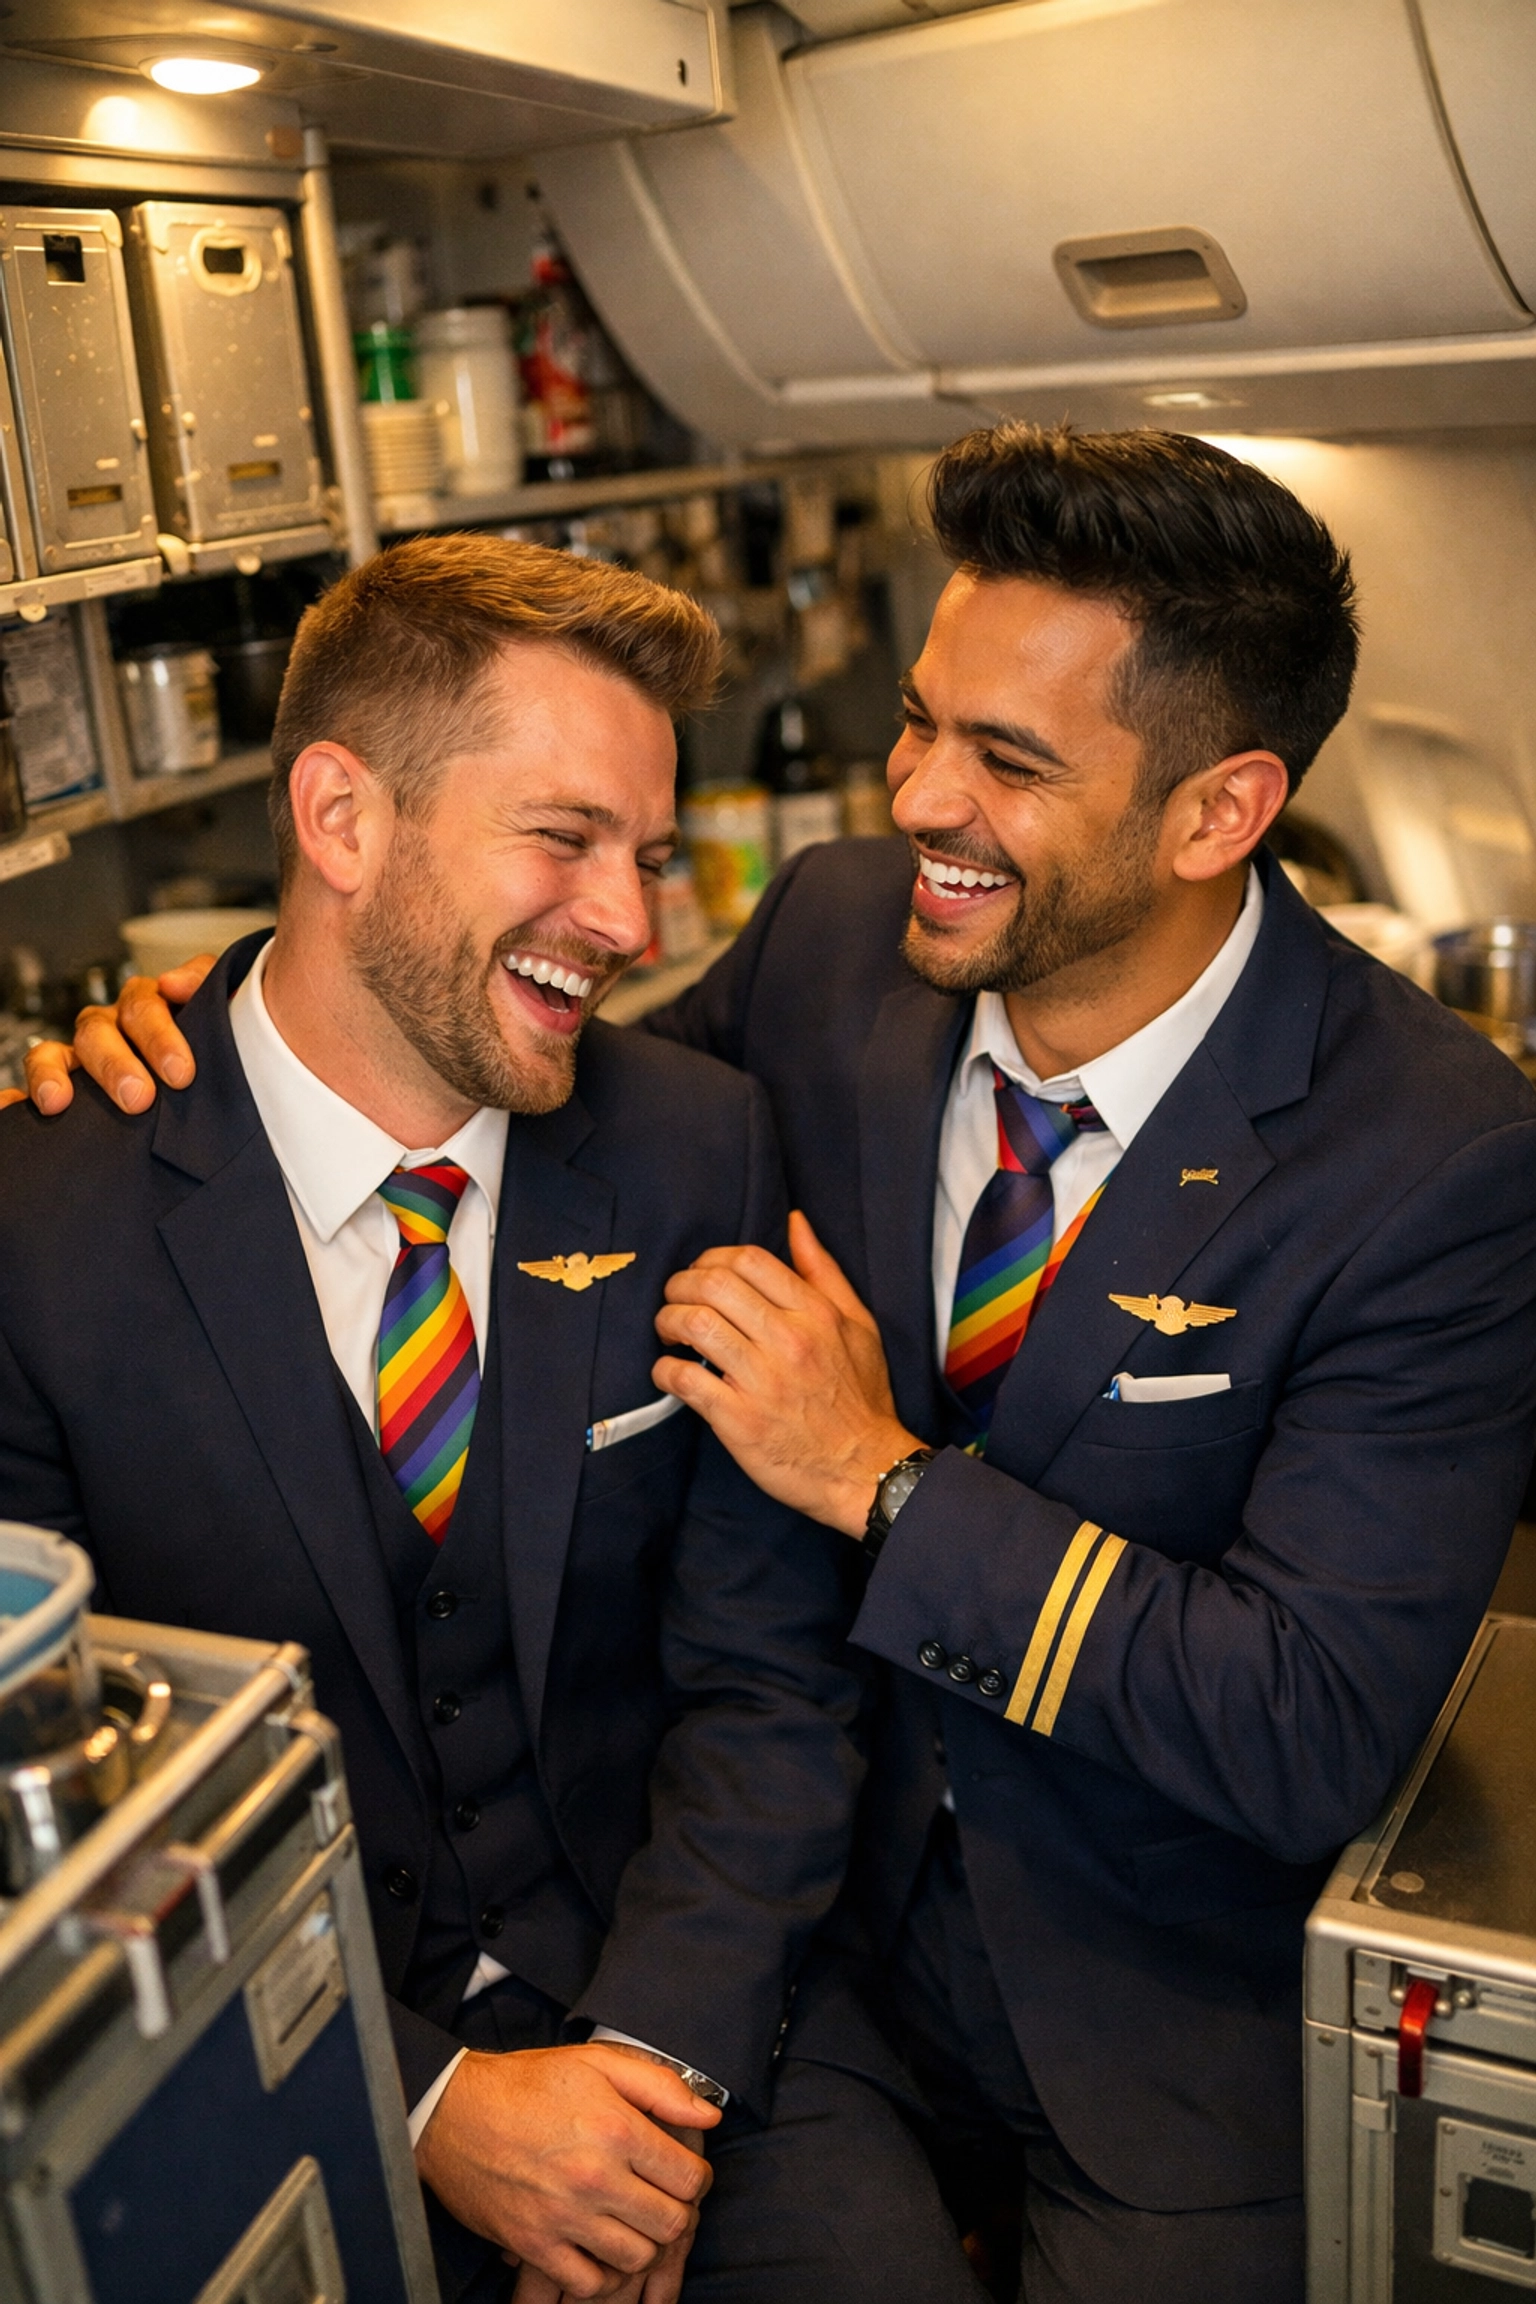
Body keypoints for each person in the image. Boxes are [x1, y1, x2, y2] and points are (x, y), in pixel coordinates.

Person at [40, 426, 1536, 2301]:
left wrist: (881, 1482)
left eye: (1008, 762)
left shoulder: (1434, 1157)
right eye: (920, 722)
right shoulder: (842, 938)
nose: (918, 796)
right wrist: (196, 1045)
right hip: (811, 1935)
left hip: (1142, 2008)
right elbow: (513, 1067)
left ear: (1217, 813)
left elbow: (1305, 1724)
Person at [0, 536, 978, 2304]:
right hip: (275, 2037)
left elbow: (767, 1684)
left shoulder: (696, 1146)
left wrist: (646, 2081)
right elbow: (43, 1811)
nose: (631, 925)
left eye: (648, 858)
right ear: (342, 817)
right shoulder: (39, 1221)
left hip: (688, 2009)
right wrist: (429, 2095)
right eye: (563, 839)